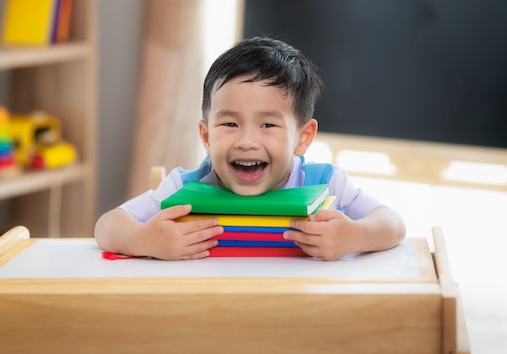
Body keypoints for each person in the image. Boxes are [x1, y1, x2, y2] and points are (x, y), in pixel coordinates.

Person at [94, 37, 406, 261]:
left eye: (268, 125)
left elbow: (393, 224)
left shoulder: (327, 184)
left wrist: (356, 235)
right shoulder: (184, 187)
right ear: (206, 135)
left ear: (303, 137)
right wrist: (144, 240)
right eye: (229, 124)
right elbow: (107, 227)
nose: (246, 141)